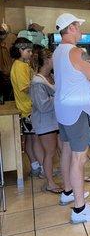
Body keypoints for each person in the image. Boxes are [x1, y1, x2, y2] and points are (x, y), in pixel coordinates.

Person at [53, 13, 90, 223]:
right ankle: (79, 209)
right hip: (78, 111)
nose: (81, 29)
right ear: (71, 28)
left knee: (67, 150)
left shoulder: (57, 52)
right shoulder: (77, 52)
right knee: (79, 158)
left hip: (63, 109)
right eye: (79, 25)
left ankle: (68, 192)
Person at [29, 48, 63, 193]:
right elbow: (42, 106)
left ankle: (66, 178)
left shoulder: (52, 76)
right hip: (45, 122)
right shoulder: (37, 82)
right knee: (50, 152)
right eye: (54, 58)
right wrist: (59, 98)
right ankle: (50, 183)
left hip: (55, 120)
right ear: (48, 60)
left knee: (61, 150)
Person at [10, 37, 44, 176]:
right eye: (28, 51)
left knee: (29, 138)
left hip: (25, 109)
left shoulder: (21, 65)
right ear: (20, 50)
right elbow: (25, 87)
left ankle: (35, 166)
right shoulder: (19, 66)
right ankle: (43, 168)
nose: (31, 54)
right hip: (29, 108)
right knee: (36, 139)